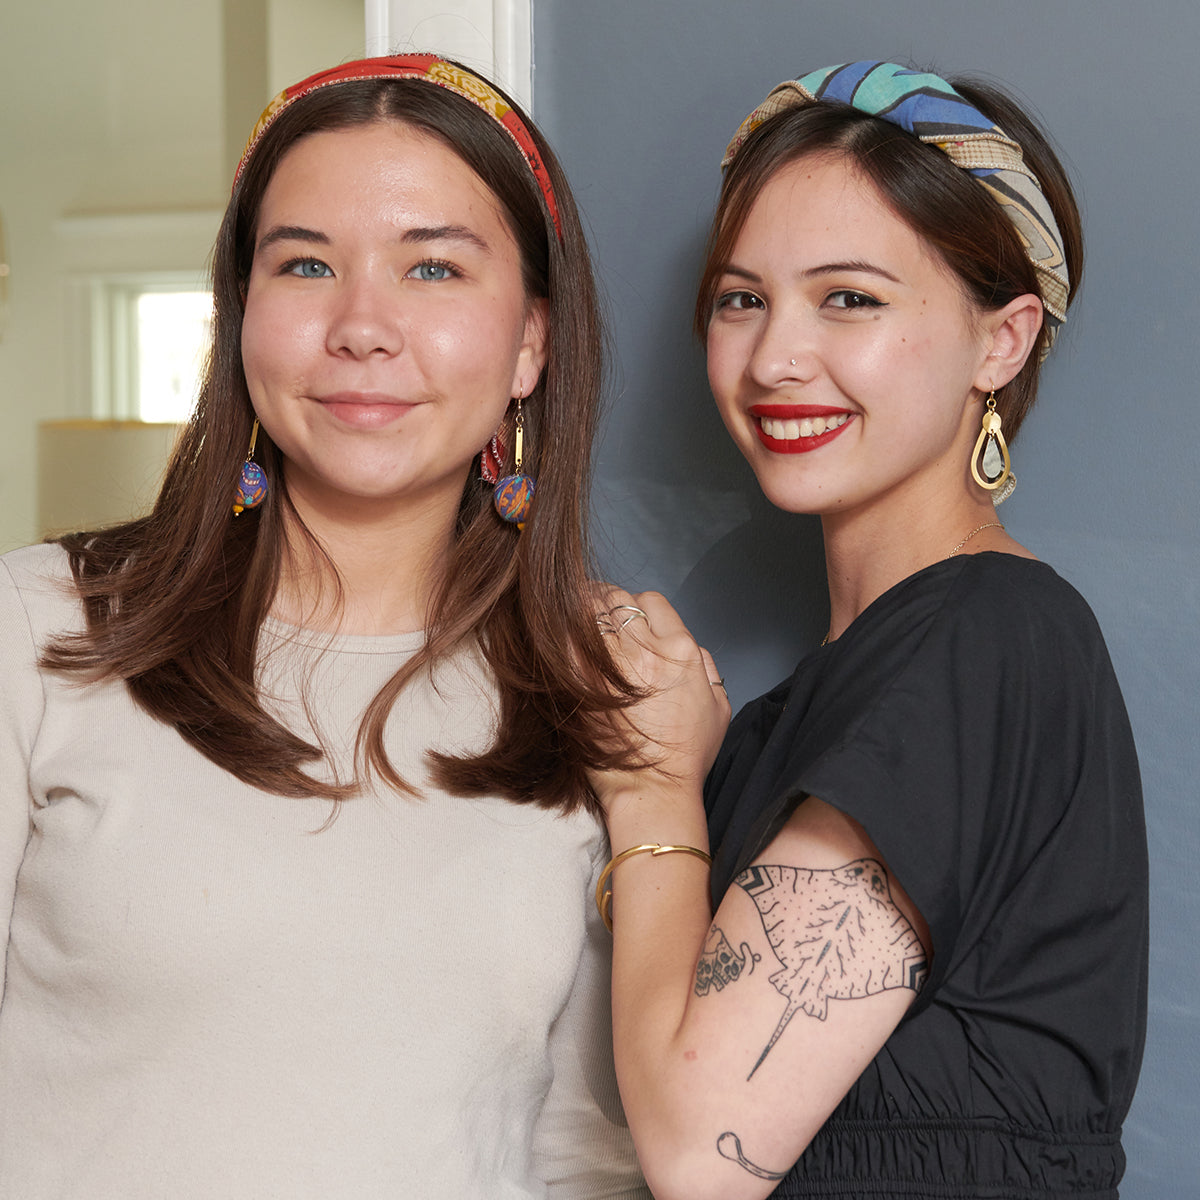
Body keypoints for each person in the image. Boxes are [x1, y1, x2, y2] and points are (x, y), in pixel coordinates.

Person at [0, 54, 650, 1199]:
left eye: (434, 267)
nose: (363, 325)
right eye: (305, 263)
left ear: (532, 345)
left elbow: (582, 1159)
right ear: (242, 313)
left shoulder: (603, 689)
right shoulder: (38, 633)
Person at [590, 61, 1148, 1199]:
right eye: (741, 299)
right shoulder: (817, 705)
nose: (774, 356)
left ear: (1002, 342)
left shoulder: (991, 639)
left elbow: (702, 1152)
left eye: (850, 297)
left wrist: (651, 788)